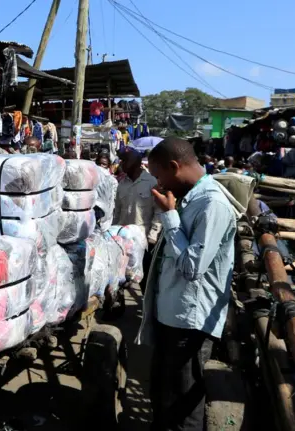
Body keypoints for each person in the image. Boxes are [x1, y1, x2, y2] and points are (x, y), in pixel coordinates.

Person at [137, 137, 236, 431]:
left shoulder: (211, 205)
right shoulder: (190, 198)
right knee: (163, 393)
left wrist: (169, 215)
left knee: (182, 402)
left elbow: (193, 267)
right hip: (172, 314)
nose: (158, 182)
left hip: (189, 322)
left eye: (159, 175)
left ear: (174, 167)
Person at [113, 148, 162, 289]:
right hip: (123, 242)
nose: (121, 164)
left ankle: (147, 310)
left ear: (136, 162)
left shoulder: (151, 182)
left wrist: (153, 236)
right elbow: (117, 212)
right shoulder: (122, 184)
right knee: (121, 278)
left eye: (125, 160)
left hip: (145, 242)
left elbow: (158, 212)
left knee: (145, 282)